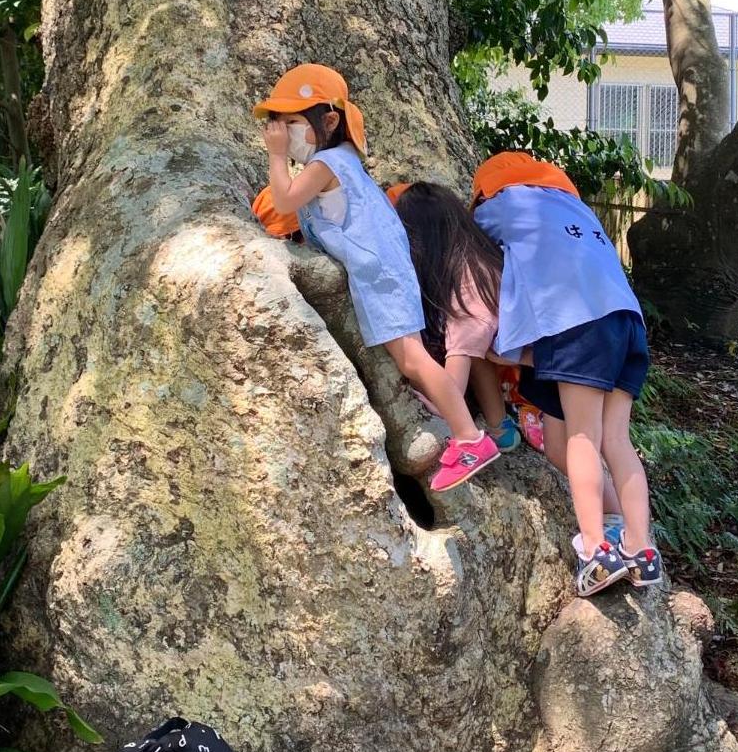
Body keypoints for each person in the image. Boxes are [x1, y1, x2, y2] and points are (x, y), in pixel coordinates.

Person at [253, 64, 499, 492]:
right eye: (281, 124)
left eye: (293, 123)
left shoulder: (328, 162)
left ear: (329, 122)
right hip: (380, 271)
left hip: (380, 274)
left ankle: (469, 437)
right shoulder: (339, 161)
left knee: (413, 360)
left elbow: (285, 198)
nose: (285, 132)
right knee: (410, 360)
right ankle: (466, 433)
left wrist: (275, 156)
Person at [472, 151, 662, 596]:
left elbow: (469, 244)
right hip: (627, 322)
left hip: (578, 323)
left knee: (582, 438)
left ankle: (596, 549)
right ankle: (640, 547)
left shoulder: (500, 203)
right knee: (614, 440)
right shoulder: (576, 209)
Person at [390, 180, 522, 452]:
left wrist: (440, 403)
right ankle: (500, 424)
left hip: (517, 361)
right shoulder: (475, 256)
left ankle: (499, 429)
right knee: (478, 354)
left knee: (466, 354)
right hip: (503, 351)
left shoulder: (468, 286)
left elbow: (460, 357)